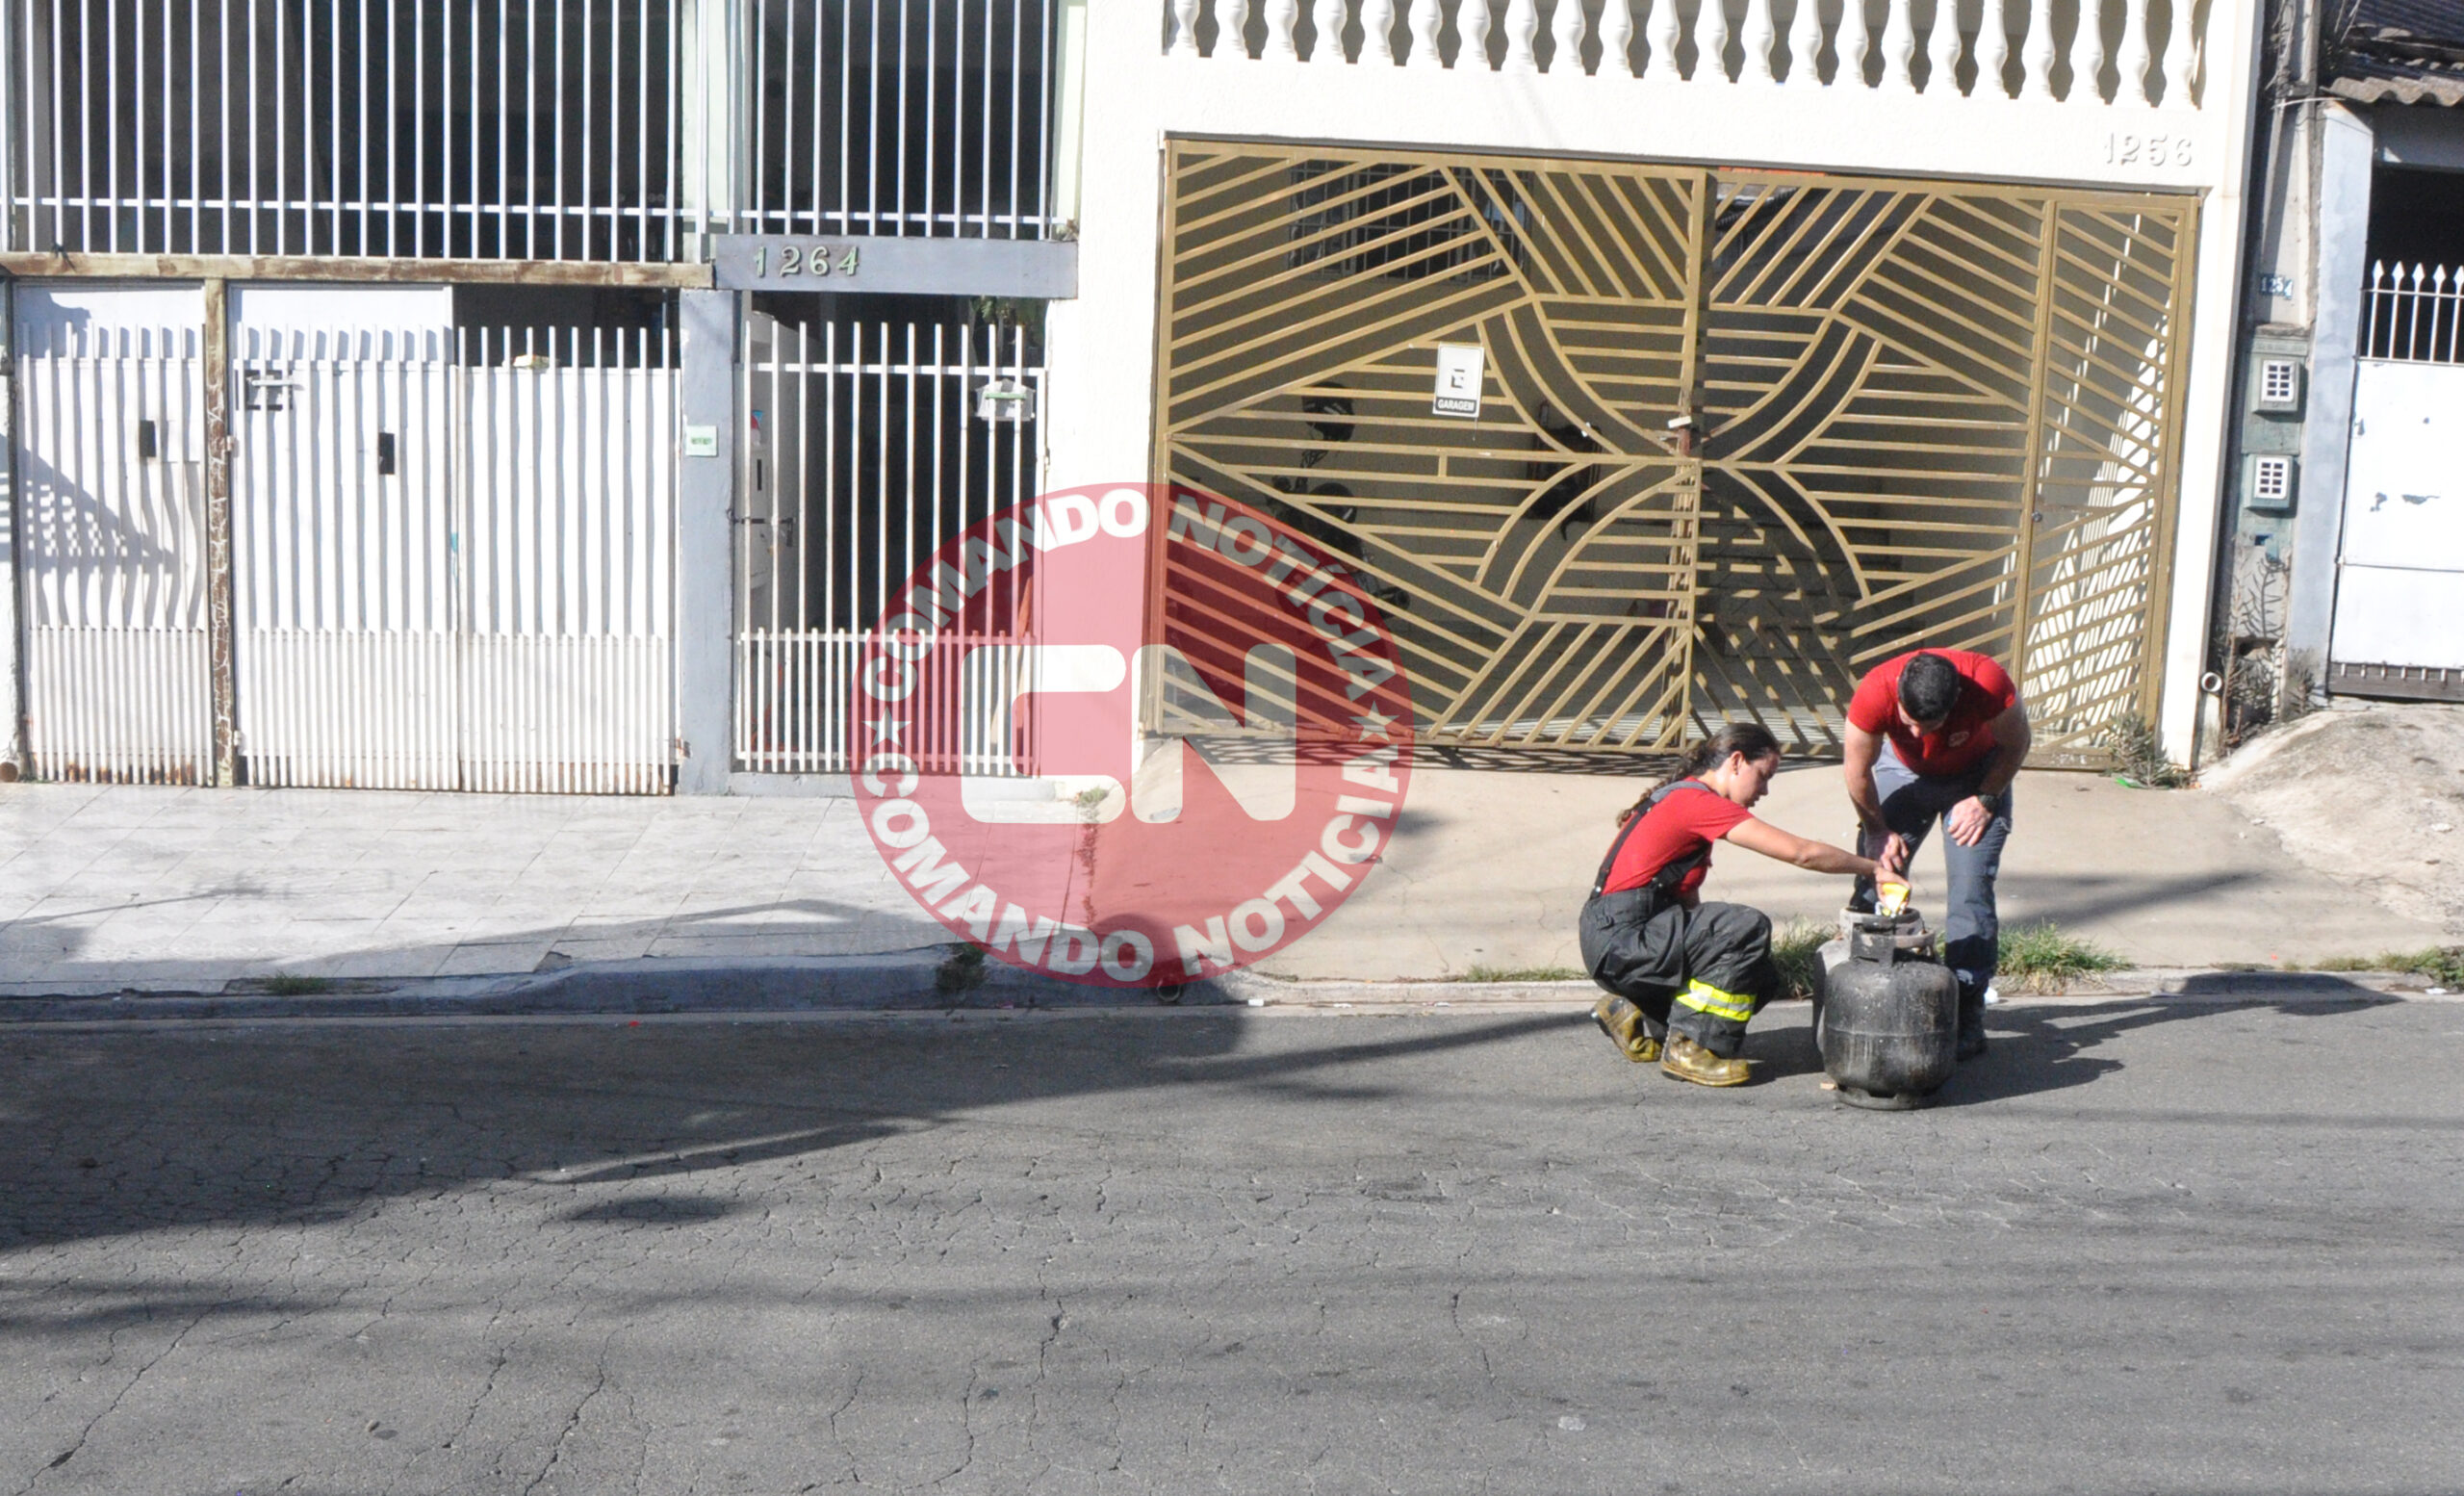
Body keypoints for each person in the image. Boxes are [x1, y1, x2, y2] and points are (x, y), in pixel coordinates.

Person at [1581, 722, 1903, 1088]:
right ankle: (1692, 1048)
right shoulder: (1696, 803)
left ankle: (1635, 1015)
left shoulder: (1680, 799)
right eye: (1763, 776)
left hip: (1620, 935)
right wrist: (1874, 870)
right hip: (1622, 937)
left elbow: (1688, 906)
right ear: (1736, 762)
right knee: (1744, 928)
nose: (1764, 790)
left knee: (1757, 976)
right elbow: (1803, 854)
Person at [1841, 649, 2031, 1061]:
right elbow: (1856, 770)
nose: (1919, 733)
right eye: (1908, 723)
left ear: (1956, 700)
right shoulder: (1875, 690)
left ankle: (1965, 1008)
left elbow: (2018, 742)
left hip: (1977, 776)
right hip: (1904, 773)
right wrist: (1877, 830)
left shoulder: (1987, 682)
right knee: (1878, 874)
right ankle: (1862, 993)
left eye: (1930, 725)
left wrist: (1985, 799)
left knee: (1970, 890)